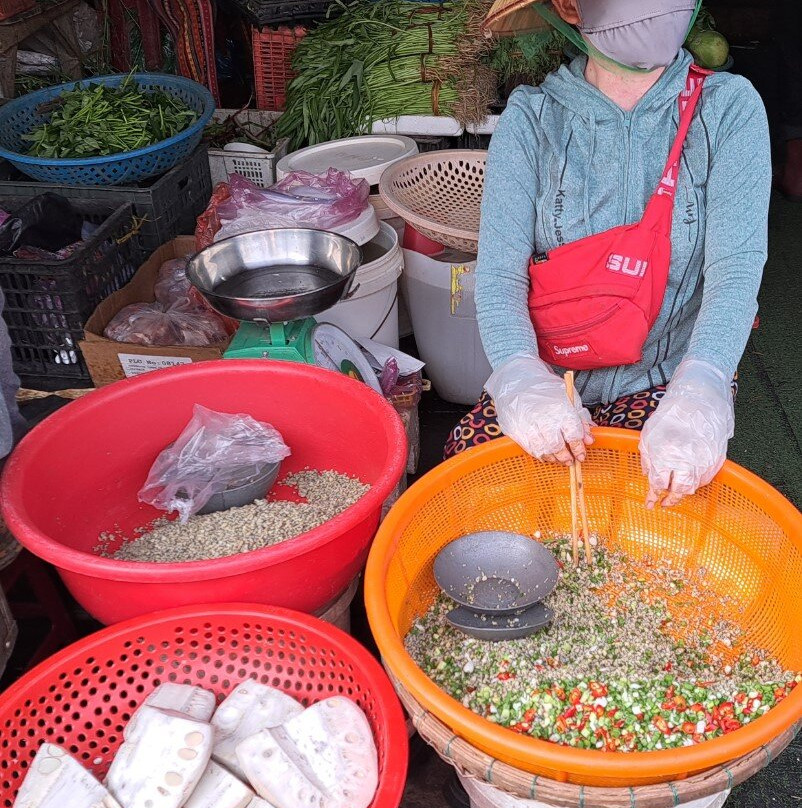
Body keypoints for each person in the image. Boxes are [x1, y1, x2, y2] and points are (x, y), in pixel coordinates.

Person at [443, 0, 771, 509]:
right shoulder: (531, 119)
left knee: (653, 517)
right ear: (570, 8)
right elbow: (500, 276)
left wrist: (701, 388)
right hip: (553, 380)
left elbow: (735, 272)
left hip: (667, 380)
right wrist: (521, 378)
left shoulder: (729, 108)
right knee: (481, 498)